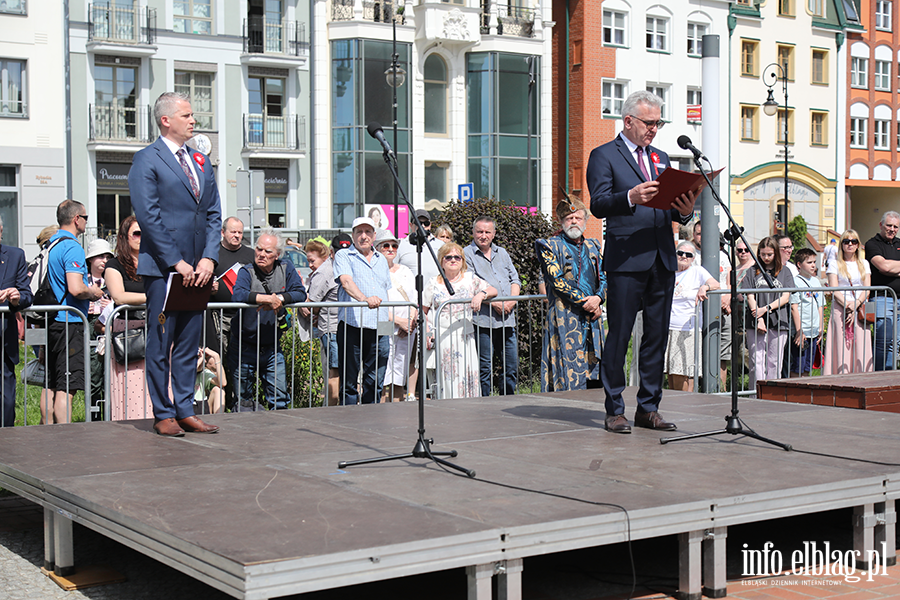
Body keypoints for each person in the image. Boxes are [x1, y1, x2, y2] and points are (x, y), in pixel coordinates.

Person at [586, 90, 696, 434]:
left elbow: (673, 205)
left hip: (662, 258)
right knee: (619, 336)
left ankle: (648, 408)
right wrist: (630, 197)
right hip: (626, 260)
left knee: (656, 337)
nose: (654, 129)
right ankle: (615, 408)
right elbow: (599, 204)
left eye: (658, 123)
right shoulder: (604, 155)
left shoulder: (662, 157)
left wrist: (686, 209)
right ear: (628, 120)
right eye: (649, 122)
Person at [129, 91, 221, 437]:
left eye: (192, 115)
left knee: (188, 343)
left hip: (199, 269)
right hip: (165, 270)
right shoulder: (147, 160)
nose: (193, 120)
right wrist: (177, 263)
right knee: (161, 341)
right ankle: (162, 411)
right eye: (186, 115)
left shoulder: (200, 160)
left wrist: (209, 258)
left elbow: (213, 213)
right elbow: (149, 218)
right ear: (165, 120)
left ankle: (185, 409)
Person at [230, 229, 307, 411]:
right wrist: (265, 299)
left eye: (267, 251)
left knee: (280, 400)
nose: (261, 254)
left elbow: (300, 292)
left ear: (277, 254)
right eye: (259, 249)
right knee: (243, 400)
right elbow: (238, 295)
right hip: (244, 345)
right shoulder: (246, 271)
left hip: (272, 347)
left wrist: (278, 299)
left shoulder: (286, 267)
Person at [534, 199, 606, 393]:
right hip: (564, 317)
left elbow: (605, 277)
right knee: (567, 374)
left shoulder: (593, 246)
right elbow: (557, 281)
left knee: (595, 375)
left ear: (585, 221)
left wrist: (598, 299)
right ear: (561, 221)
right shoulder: (548, 245)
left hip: (592, 318)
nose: (574, 221)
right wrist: (587, 302)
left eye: (578, 217)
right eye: (569, 217)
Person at [43, 200, 105, 424]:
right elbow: (76, 288)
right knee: (67, 384)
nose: (87, 222)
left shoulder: (51, 243)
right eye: (86, 217)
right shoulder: (72, 247)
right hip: (69, 322)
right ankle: (65, 436)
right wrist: (94, 293)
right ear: (77, 219)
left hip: (51, 320)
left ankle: (47, 431)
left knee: (49, 382)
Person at [423, 243, 497, 399]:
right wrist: (427, 332)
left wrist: (480, 295)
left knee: (466, 377)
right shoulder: (433, 283)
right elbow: (422, 310)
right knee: (447, 380)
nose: (453, 260)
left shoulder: (470, 279)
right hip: (442, 338)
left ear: (462, 260)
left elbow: (493, 289)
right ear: (441, 261)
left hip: (465, 338)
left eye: (457, 257)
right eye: (448, 257)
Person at [333, 217, 392, 405]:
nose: (363, 236)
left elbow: (385, 291)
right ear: (353, 235)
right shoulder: (344, 255)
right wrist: (364, 299)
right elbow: (346, 282)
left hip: (381, 326)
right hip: (353, 324)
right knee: (349, 382)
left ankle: (372, 420)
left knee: (376, 380)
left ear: (374, 236)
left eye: (368, 232)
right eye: (359, 232)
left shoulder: (381, 259)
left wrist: (390, 321)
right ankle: (351, 421)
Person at [464, 216, 520, 397]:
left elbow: (515, 279)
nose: (483, 235)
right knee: (484, 367)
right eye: (479, 231)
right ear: (473, 233)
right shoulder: (467, 254)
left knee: (510, 366)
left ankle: (508, 402)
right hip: (484, 320)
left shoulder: (502, 253)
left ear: (494, 234)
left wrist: (511, 300)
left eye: (487, 232)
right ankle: (485, 403)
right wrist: (495, 303)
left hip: (507, 319)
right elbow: (470, 283)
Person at [103, 216, 150, 421]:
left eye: (144, 233)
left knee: (155, 384)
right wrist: (152, 298)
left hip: (155, 327)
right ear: (124, 237)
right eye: (137, 233)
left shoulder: (154, 263)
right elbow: (119, 296)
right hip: (128, 331)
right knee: (130, 388)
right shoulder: (114, 264)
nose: (141, 238)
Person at [208, 216, 255, 410]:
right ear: (223, 232)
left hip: (244, 317)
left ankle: (240, 403)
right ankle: (220, 404)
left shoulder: (251, 255)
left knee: (242, 364)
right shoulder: (211, 253)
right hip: (217, 317)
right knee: (219, 361)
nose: (237, 235)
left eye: (240, 232)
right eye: (233, 232)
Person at [396, 210, 444, 400]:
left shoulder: (440, 246)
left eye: (426, 223)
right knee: (413, 354)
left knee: (435, 351)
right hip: (412, 307)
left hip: (435, 307)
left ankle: (437, 391)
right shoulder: (402, 246)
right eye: (418, 223)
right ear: (411, 225)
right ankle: (410, 393)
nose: (422, 227)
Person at [740, 236, 794, 391]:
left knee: (774, 361)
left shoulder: (785, 272)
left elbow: (786, 297)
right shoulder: (752, 271)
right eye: (763, 254)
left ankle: (772, 393)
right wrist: (759, 317)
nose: (766, 258)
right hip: (755, 320)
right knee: (756, 360)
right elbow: (750, 295)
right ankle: (755, 393)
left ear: (776, 253)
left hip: (778, 320)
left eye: (769, 254)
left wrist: (767, 309)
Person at [665, 241, 719, 391]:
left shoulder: (698, 271)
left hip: (687, 328)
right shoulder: (670, 271)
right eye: (680, 253)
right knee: (670, 371)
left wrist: (704, 287)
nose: (683, 256)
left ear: (693, 258)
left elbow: (716, 284)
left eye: (688, 255)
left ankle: (684, 404)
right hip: (668, 326)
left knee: (682, 371)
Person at [824, 229, 873, 375]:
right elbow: (834, 287)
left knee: (861, 345)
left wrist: (855, 305)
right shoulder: (834, 263)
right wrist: (848, 306)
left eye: (853, 241)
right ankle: (840, 377)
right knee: (841, 344)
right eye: (846, 241)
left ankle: (862, 376)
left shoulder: (864, 263)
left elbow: (867, 288)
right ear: (842, 245)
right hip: (841, 307)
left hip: (859, 309)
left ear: (858, 245)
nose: (850, 244)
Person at [376, 229, 417, 402]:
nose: (391, 249)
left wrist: (410, 323)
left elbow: (415, 298)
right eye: (386, 245)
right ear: (377, 248)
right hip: (386, 326)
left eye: (394, 245)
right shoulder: (375, 271)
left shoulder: (406, 270)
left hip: (407, 328)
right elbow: (376, 302)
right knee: (384, 375)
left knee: (399, 377)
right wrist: (399, 321)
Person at [0, 215, 32, 427]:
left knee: (7, 402)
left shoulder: (15, 255)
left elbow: (27, 295)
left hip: (5, 341)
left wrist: (17, 297)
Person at [301, 239, 340, 405]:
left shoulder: (323, 273)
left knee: (332, 371)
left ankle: (331, 408)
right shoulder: (331, 269)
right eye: (308, 261)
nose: (310, 265)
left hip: (330, 328)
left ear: (324, 257)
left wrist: (302, 300)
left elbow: (312, 305)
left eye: (312, 261)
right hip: (332, 326)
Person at [865, 211, 900, 371]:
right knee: (883, 341)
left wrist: (891, 268)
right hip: (882, 298)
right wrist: (889, 267)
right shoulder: (872, 244)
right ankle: (878, 377)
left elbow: (887, 267)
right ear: (881, 225)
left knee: (896, 342)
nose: (892, 229)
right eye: (889, 225)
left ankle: (890, 377)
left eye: (895, 226)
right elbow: (883, 267)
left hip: (899, 299)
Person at [789, 248, 824, 378]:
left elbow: (820, 305)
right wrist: (799, 330)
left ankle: (804, 393)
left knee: (807, 367)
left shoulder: (816, 281)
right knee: (798, 366)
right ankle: (793, 393)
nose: (813, 265)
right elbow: (794, 307)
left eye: (814, 262)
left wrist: (821, 326)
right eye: (809, 262)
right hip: (801, 332)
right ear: (799, 264)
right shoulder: (795, 281)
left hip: (814, 330)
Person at [194, 347, 226, 414]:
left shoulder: (203, 373)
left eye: (204, 358)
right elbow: (186, 373)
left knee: (219, 390)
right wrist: (200, 360)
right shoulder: (180, 372)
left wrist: (216, 357)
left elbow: (222, 383)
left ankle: (219, 419)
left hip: (201, 407)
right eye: (198, 357)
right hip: (187, 408)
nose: (204, 361)